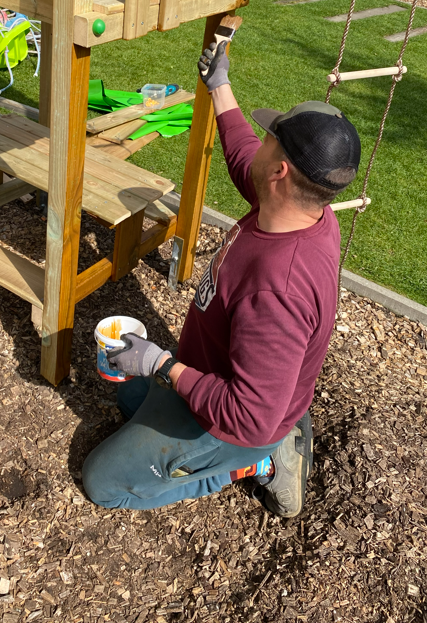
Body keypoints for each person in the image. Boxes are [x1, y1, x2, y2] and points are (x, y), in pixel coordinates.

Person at [82, 36, 361, 515]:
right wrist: (219, 85)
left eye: (269, 138)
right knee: (128, 395)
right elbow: (243, 158)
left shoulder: (278, 291)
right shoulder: (303, 211)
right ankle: (236, 430)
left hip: (236, 424)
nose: (260, 140)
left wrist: (161, 364)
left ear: (280, 171)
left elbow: (249, 416)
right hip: (221, 375)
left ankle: (251, 465)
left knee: (102, 483)